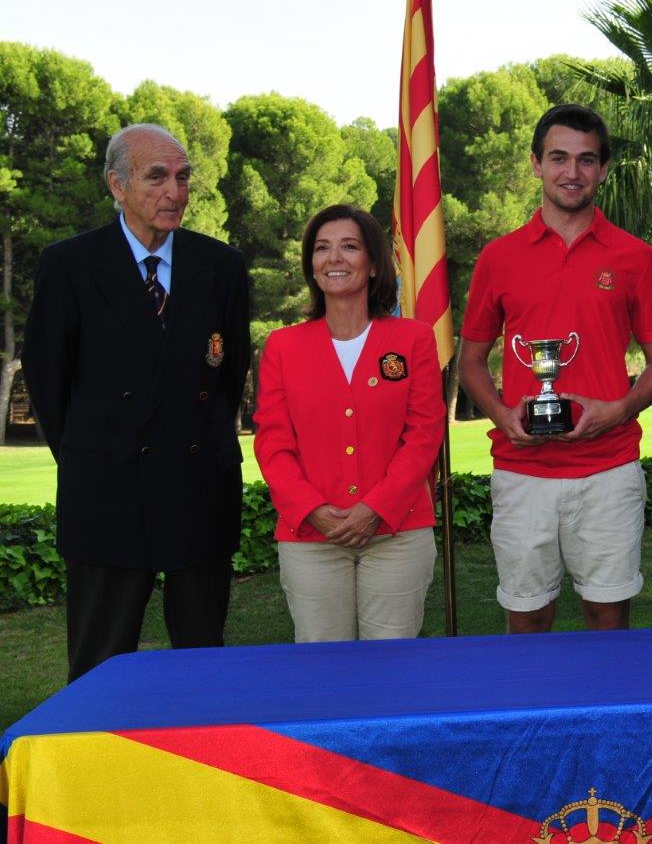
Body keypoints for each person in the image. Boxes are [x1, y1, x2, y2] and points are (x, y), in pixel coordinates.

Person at [22, 123, 250, 681]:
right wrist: (93, 456)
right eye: (156, 177)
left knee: (202, 663)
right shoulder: (69, 265)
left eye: (182, 177)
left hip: (198, 487)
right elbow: (49, 383)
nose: (175, 191)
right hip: (107, 493)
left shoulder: (220, 266)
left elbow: (228, 373)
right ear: (116, 186)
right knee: (100, 664)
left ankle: (202, 764)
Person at [458, 104, 652, 634]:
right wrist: (504, 416)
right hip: (522, 470)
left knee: (607, 614)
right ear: (535, 164)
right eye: (558, 158)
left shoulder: (636, 257)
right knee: (527, 618)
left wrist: (620, 409)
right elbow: (469, 361)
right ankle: (530, 720)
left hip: (608, 469)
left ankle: (608, 720)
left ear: (602, 169)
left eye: (585, 160)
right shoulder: (498, 257)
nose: (571, 172)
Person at [253, 204, 444, 642]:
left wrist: (376, 509)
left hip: (399, 532)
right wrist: (312, 510)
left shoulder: (413, 339)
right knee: (324, 671)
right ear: (311, 266)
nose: (334, 258)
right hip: (310, 537)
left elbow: (424, 434)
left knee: (391, 668)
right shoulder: (283, 347)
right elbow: (273, 443)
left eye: (349, 247)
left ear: (373, 263)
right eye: (322, 248)